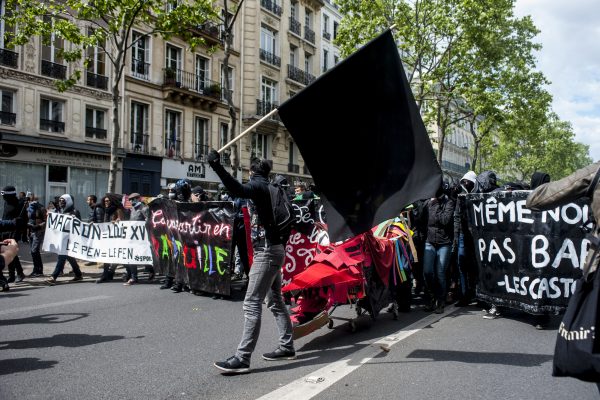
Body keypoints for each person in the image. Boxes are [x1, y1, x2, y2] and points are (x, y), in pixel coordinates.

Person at [208, 150, 295, 374]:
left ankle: (242, 358)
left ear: (251, 171)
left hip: (266, 251)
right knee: (275, 300)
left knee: (251, 302)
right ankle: (286, 346)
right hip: (274, 249)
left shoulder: (257, 186)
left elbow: (237, 189)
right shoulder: (272, 187)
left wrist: (217, 166)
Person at [422, 180, 456, 314]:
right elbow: (421, 218)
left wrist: (435, 205)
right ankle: (431, 298)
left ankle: (440, 301)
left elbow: (444, 220)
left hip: (444, 243)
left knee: (440, 272)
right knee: (427, 271)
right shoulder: (428, 203)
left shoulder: (449, 203)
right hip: (430, 241)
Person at [45, 194, 84, 285]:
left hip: (70, 239)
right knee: (69, 257)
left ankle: (53, 276)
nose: (61, 203)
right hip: (62, 238)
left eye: (63, 201)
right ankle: (78, 274)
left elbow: (79, 225)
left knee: (61, 256)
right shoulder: (60, 212)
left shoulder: (75, 211)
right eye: (60, 201)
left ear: (68, 201)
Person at [454, 171, 478, 307]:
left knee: (474, 266)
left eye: (468, 182)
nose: (465, 184)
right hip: (463, 235)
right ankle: (464, 295)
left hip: (475, 236)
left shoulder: (479, 196)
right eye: (464, 182)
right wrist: (457, 236)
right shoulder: (460, 197)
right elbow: (456, 216)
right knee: (461, 264)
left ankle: (475, 292)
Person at [96, 194, 127, 283]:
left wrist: (116, 221)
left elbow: (122, 221)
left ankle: (130, 273)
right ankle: (105, 275)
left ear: (112, 201)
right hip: (107, 237)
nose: (106, 202)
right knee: (106, 257)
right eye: (105, 201)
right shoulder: (106, 211)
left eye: (108, 201)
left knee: (119, 257)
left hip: (116, 238)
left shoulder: (118, 210)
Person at [1, 185, 26, 283]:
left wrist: (21, 233)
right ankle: (11, 275)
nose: (3, 197)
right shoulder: (6, 203)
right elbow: (5, 216)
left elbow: (22, 221)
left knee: (12, 253)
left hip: (14, 231)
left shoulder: (19, 204)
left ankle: (20, 273)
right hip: (5, 231)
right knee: (7, 253)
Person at [124, 193, 150, 286]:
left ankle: (151, 270)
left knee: (144, 256)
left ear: (138, 198)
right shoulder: (132, 209)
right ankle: (134, 277)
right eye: (130, 199)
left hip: (143, 238)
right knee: (131, 257)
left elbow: (149, 221)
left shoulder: (144, 208)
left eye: (133, 199)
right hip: (133, 238)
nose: (131, 201)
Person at [27, 195, 46, 277]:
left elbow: (46, 221)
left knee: (34, 250)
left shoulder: (41, 208)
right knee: (33, 251)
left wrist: (38, 226)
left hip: (38, 231)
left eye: (31, 200)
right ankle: (37, 269)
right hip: (30, 231)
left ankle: (38, 270)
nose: (30, 202)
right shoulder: (28, 208)